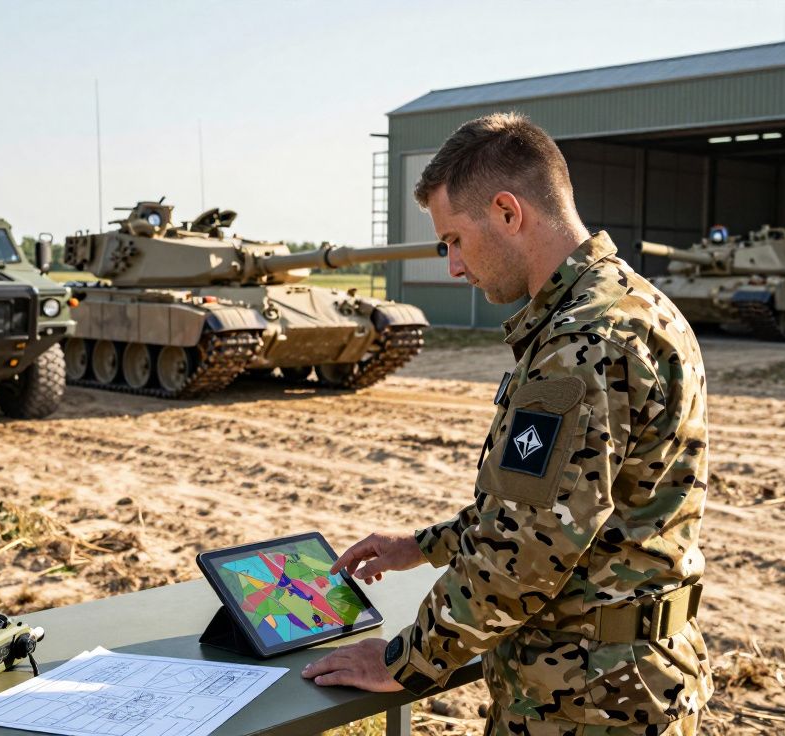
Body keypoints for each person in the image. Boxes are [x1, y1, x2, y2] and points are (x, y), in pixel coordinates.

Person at [302, 113, 713, 735]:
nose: (454, 267)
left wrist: (405, 661)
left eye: (456, 241)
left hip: (590, 701)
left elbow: (526, 551)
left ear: (507, 212)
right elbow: (555, 509)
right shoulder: (627, 304)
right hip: (612, 681)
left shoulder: (584, 344)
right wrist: (422, 547)